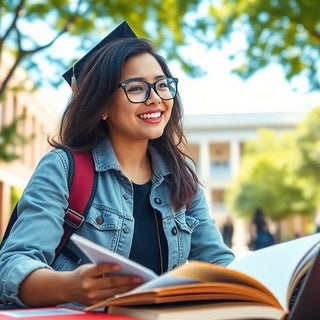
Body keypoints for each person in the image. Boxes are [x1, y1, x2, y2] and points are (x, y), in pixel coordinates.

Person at [0, 21, 234, 309]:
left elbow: (217, 260)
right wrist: (72, 285)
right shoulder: (63, 168)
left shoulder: (182, 176)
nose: (156, 99)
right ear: (102, 107)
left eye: (162, 85)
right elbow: (12, 266)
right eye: (136, 89)